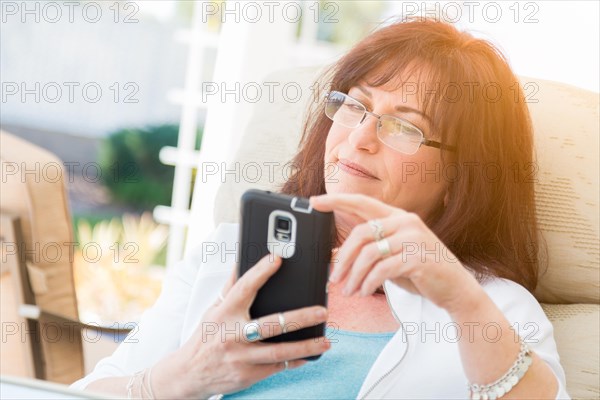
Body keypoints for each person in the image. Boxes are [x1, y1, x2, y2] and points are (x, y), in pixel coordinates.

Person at [72, 17, 569, 399]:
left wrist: (460, 298)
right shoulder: (226, 252)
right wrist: (184, 375)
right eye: (355, 105)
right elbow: (92, 392)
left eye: (404, 126)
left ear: (461, 175)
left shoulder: (493, 308)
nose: (360, 138)